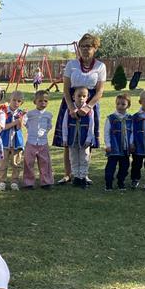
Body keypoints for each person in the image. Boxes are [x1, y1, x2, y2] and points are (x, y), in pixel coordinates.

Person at [53, 33, 106, 184]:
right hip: (71, 102)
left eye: (88, 46)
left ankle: (84, 174)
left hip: (90, 104)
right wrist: (71, 107)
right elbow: (65, 88)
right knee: (69, 139)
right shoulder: (72, 65)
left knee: (87, 139)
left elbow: (100, 91)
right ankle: (68, 174)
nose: (84, 49)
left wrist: (88, 107)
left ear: (95, 48)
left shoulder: (100, 66)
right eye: (82, 46)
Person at [62, 87, 95, 188]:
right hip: (72, 137)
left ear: (87, 98)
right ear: (73, 97)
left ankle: (83, 176)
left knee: (84, 157)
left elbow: (91, 125)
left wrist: (89, 138)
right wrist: (65, 138)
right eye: (79, 96)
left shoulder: (90, 111)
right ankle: (76, 176)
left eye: (84, 96)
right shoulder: (69, 110)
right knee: (73, 157)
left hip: (84, 138)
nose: (81, 98)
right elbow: (64, 124)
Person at [22, 91, 54, 189]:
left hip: (43, 142)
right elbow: (25, 122)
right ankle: (28, 182)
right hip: (31, 142)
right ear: (34, 102)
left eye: (45, 101)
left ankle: (46, 182)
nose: (43, 103)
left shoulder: (48, 114)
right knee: (28, 162)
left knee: (45, 162)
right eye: (40, 101)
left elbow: (49, 125)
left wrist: (44, 131)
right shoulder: (30, 114)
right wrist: (30, 128)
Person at [0, 91, 25, 191]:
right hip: (4, 141)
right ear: (9, 100)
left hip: (16, 142)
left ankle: (14, 182)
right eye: (14, 100)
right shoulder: (3, 111)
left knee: (16, 163)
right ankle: (1, 182)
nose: (16, 103)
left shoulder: (20, 113)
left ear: (21, 103)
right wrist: (15, 122)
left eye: (19, 101)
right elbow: (3, 127)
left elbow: (19, 127)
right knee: (2, 164)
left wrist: (20, 120)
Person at [104, 93, 133, 192]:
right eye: (118, 104)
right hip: (114, 146)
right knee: (111, 166)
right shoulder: (111, 118)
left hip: (125, 147)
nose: (120, 106)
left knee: (125, 166)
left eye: (123, 104)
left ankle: (121, 182)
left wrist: (131, 143)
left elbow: (132, 132)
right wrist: (108, 145)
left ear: (128, 105)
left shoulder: (130, 118)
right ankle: (108, 184)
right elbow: (106, 132)